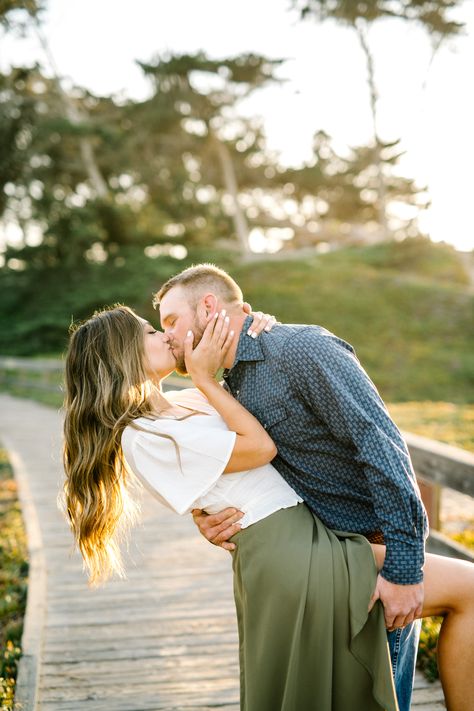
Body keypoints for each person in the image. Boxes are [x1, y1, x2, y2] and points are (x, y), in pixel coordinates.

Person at [62, 305, 474, 711]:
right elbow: (260, 448)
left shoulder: (184, 402)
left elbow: (242, 436)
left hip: (303, 538)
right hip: (291, 553)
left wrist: (258, 327)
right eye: (151, 332)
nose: (167, 336)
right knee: (468, 590)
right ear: (121, 355)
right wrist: (206, 381)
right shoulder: (143, 435)